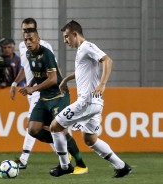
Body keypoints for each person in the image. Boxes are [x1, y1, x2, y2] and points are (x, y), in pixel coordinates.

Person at [49, 20, 132, 178]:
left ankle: (65, 165)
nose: (65, 40)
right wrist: (66, 79)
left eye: (67, 37)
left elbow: (107, 60)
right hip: (96, 104)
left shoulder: (86, 46)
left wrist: (102, 83)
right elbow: (83, 71)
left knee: (55, 127)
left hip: (86, 102)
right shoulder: (82, 51)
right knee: (90, 139)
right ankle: (121, 166)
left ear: (75, 34)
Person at [17, 26, 87, 174]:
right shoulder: (29, 54)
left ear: (38, 40)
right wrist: (30, 85)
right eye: (26, 40)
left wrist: (33, 89)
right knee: (33, 130)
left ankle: (81, 164)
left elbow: (53, 79)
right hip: (44, 97)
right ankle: (62, 148)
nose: (28, 42)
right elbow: (38, 76)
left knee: (61, 130)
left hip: (58, 96)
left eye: (31, 39)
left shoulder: (46, 53)